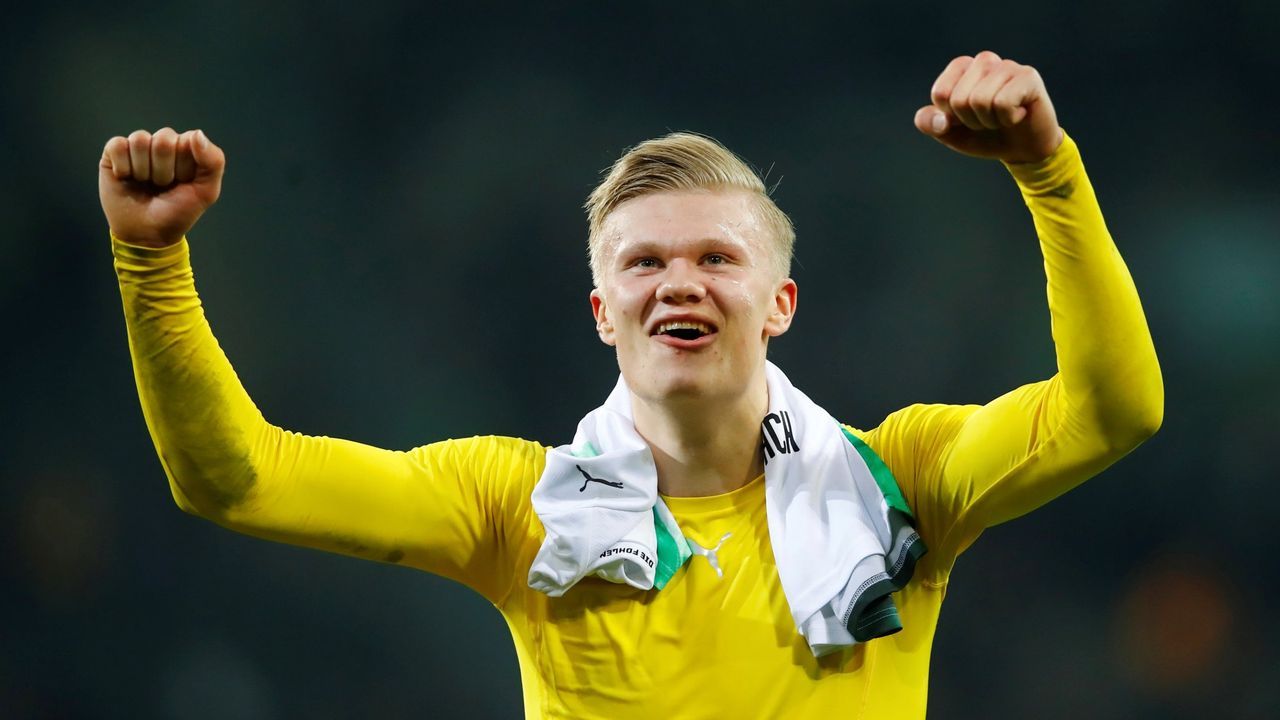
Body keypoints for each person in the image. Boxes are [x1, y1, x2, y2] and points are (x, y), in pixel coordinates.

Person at [100, 51, 1163, 719]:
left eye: (714, 258)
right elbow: (237, 482)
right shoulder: (514, 510)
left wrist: (1046, 171)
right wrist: (151, 262)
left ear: (780, 303)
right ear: (603, 314)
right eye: (643, 265)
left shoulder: (904, 484)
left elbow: (1113, 410)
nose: (677, 286)